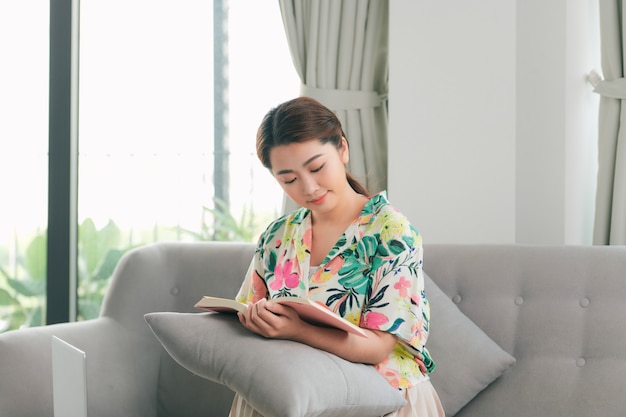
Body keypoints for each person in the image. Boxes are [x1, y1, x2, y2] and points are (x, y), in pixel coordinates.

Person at [229, 96, 444, 417]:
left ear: (342, 148)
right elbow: (245, 312)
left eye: (317, 167)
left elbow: (378, 346)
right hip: (290, 392)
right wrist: (254, 319)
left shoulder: (390, 230)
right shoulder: (276, 236)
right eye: (288, 179)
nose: (309, 186)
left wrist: (298, 330)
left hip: (380, 398)